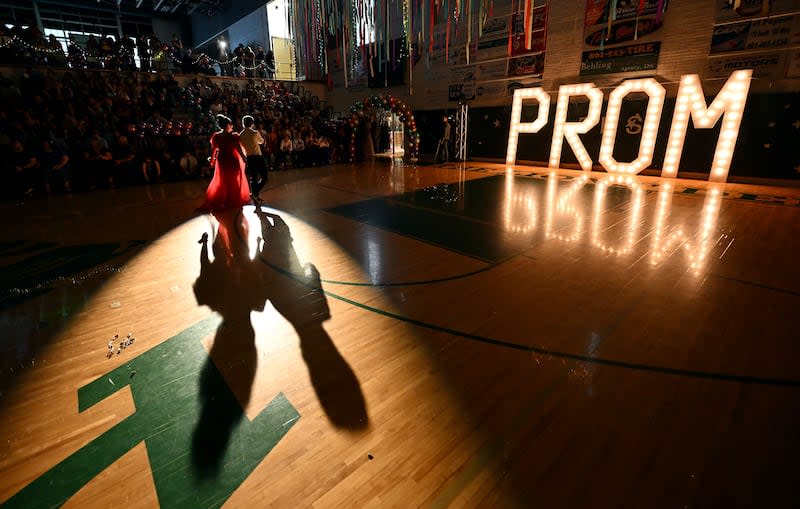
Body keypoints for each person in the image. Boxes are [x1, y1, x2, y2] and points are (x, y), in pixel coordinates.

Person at [199, 114, 250, 211]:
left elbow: (214, 150)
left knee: (224, 180)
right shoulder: (233, 136)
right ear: (228, 125)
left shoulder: (217, 136)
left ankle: (225, 200)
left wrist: (212, 160)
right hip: (232, 159)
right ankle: (232, 199)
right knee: (234, 179)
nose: (232, 126)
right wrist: (243, 157)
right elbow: (238, 148)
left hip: (222, 160)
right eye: (231, 125)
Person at [239, 115, 268, 205]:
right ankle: (255, 192)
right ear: (251, 123)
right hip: (257, 157)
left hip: (249, 158)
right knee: (264, 177)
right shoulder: (254, 133)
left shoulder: (241, 135)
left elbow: (241, 147)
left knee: (253, 177)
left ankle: (254, 194)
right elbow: (262, 142)